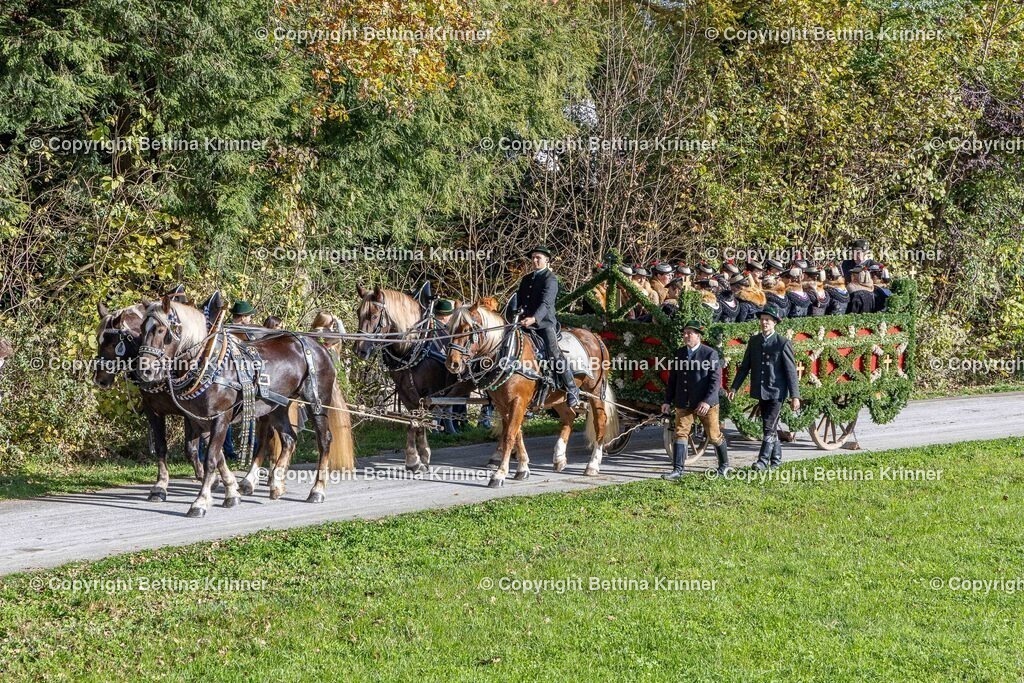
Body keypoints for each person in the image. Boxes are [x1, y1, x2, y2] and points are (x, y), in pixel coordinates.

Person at [727, 305, 801, 470]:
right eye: (762, 320)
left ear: (775, 322)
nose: (764, 323)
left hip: (777, 391)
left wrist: (795, 396)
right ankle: (776, 461)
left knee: (768, 426)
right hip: (761, 390)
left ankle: (762, 461)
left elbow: (791, 371)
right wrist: (734, 388)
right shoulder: (754, 341)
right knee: (769, 426)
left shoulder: (782, 342)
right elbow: (745, 366)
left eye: (768, 320)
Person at [661, 321, 731, 479]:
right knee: (680, 433)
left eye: (690, 333)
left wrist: (707, 401)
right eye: (685, 333)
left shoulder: (709, 353)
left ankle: (724, 466)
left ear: (698, 335)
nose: (686, 336)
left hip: (706, 404)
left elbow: (715, 381)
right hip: (684, 401)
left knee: (714, 436)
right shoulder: (679, 353)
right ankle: (678, 470)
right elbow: (673, 379)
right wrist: (667, 400)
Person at [515, 245, 581, 410]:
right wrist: (515, 315)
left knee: (553, 352)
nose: (535, 260)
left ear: (546, 260)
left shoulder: (550, 279)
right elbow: (519, 300)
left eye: (538, 257)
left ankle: (572, 389)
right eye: (533, 258)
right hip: (524, 323)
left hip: (544, 324)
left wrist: (534, 319)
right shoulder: (526, 278)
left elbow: (546, 303)